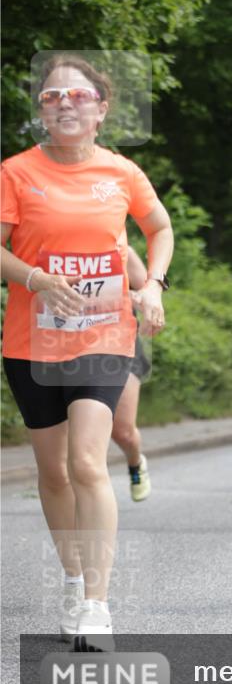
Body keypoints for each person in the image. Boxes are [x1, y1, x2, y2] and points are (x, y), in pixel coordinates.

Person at [1, 55, 173, 650]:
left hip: (104, 335)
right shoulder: (15, 173)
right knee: (52, 474)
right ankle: (73, 580)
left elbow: (160, 228)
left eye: (78, 95)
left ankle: (98, 603)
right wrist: (35, 279)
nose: (65, 103)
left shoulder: (122, 173)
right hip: (32, 341)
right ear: (42, 111)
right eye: (52, 96)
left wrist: (151, 283)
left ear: (101, 110)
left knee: (87, 465)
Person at [111, 245, 151, 501]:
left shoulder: (119, 247)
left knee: (123, 431)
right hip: (62, 345)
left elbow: (146, 286)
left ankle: (136, 463)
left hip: (118, 344)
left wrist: (142, 298)